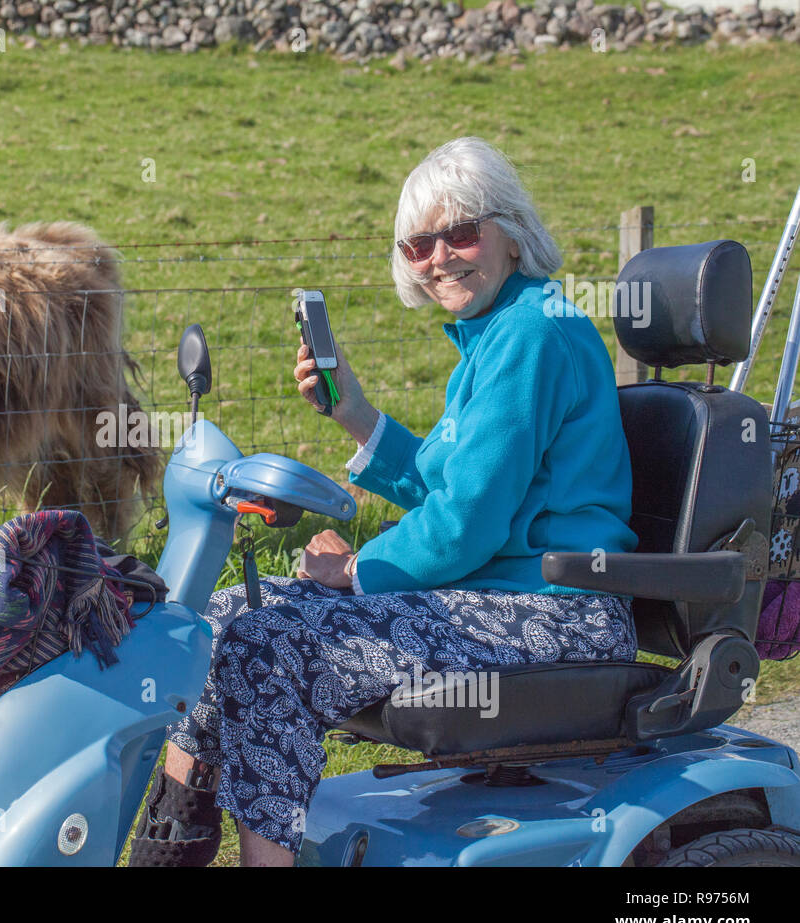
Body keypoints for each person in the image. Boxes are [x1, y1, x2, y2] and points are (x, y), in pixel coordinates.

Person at [128, 136, 640, 868]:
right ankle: (168, 849)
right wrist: (353, 412)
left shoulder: (532, 335)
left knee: (268, 646)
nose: (441, 258)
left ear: (512, 231)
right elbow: (451, 484)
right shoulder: (501, 333)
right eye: (419, 244)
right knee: (223, 619)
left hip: (559, 613)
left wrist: (359, 569)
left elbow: (463, 528)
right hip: (502, 598)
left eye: (462, 233)